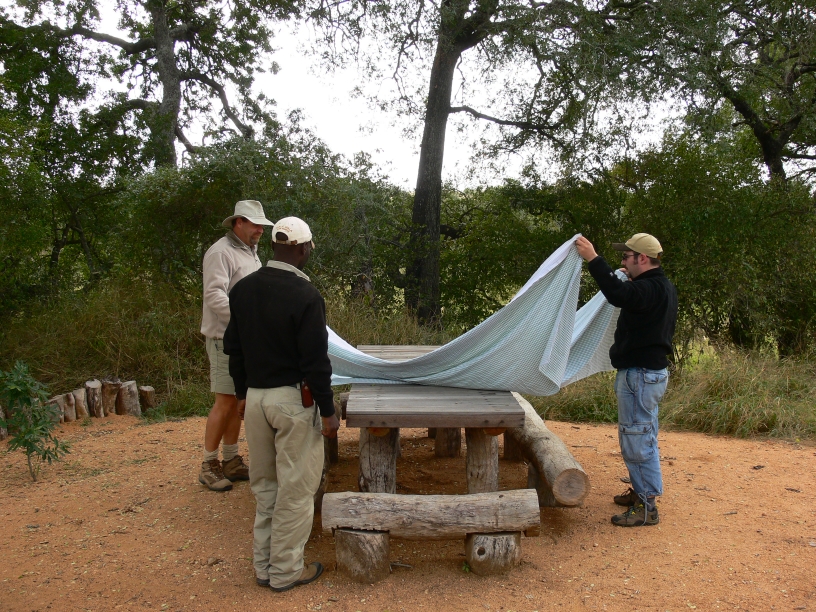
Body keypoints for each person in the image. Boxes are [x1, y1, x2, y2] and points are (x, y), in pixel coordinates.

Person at [223, 216, 340, 592]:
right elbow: (316, 361)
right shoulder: (306, 295)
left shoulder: (243, 289)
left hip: (256, 397)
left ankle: (264, 566)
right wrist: (328, 410)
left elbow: (234, 349)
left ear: (274, 246)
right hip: (293, 401)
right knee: (297, 488)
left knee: (266, 486)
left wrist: (242, 394)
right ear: (303, 249)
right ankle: (286, 571)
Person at [575, 233, 678, 527]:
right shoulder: (661, 286)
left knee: (636, 439)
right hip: (648, 374)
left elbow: (618, 295)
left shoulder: (648, 289)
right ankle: (642, 493)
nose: (623, 261)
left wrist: (593, 259)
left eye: (626, 257)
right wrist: (624, 276)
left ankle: (646, 507)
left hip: (640, 375)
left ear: (642, 258)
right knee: (643, 435)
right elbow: (628, 295)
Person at [199, 200, 273, 492]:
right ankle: (208, 465)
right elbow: (214, 296)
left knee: (238, 398)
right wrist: (246, 321)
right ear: (238, 222)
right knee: (225, 402)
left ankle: (230, 460)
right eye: (255, 225)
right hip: (223, 338)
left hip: (242, 338)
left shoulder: (249, 251)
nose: (260, 230)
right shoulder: (220, 252)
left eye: (262, 226)